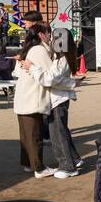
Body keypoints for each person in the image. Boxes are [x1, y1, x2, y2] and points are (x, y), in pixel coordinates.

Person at [28, 27, 82, 178]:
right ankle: (74, 159)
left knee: (57, 134)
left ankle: (67, 166)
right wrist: (72, 84)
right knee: (60, 132)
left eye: (54, 38)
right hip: (58, 98)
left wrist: (32, 68)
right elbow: (57, 80)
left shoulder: (61, 58)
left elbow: (50, 79)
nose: (52, 40)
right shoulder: (61, 57)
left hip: (58, 100)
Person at [14, 22, 56, 178]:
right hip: (32, 98)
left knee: (26, 136)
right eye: (48, 33)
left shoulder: (29, 49)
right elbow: (51, 74)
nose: (50, 37)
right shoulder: (39, 50)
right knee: (34, 135)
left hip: (23, 97)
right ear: (41, 35)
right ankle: (39, 168)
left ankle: (28, 164)